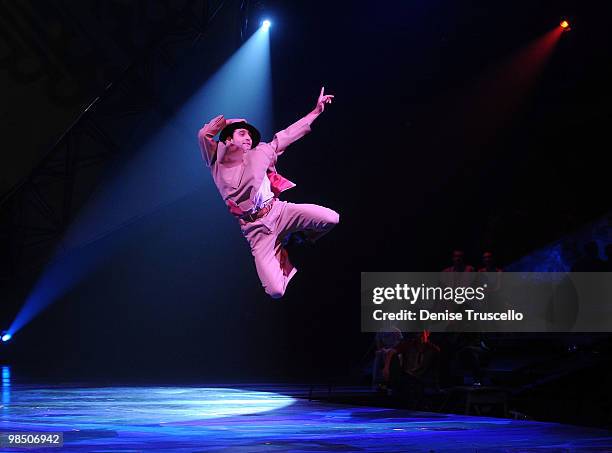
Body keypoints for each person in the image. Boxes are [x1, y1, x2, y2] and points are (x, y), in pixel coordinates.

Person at [198, 87, 339, 298]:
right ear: (228, 140)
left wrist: (316, 111)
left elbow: (288, 135)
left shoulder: (262, 151)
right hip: (256, 230)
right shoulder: (216, 160)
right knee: (276, 291)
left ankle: (299, 237)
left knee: (331, 218)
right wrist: (232, 123)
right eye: (242, 133)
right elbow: (204, 134)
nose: (248, 138)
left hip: (279, 211)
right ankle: (281, 248)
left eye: (249, 135)